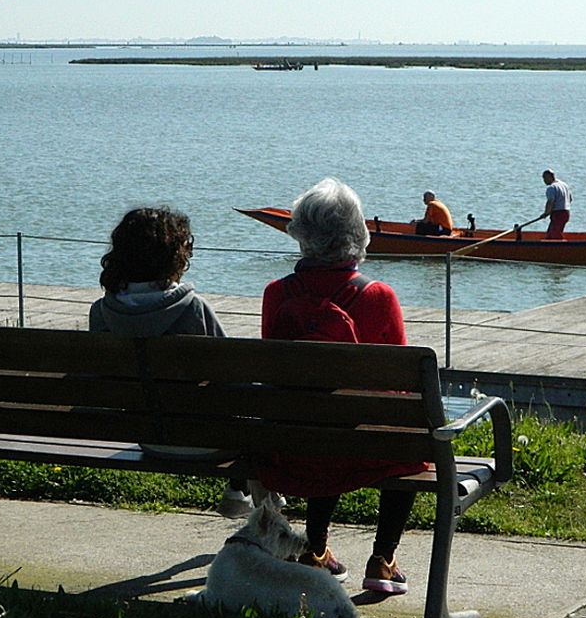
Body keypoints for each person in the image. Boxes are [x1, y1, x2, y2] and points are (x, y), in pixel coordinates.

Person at [258, 177, 426, 596]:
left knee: (322, 417)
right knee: (404, 436)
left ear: (300, 232)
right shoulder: (379, 296)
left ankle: (315, 549)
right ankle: (383, 560)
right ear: (357, 232)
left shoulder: (276, 294)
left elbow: (277, 376)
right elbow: (400, 388)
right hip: (363, 453)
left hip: (293, 445)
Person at [88, 206, 263, 518]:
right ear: (176, 256)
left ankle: (241, 492)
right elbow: (236, 386)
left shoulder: (101, 313)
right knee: (259, 412)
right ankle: (244, 493)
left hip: (148, 439)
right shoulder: (193, 310)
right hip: (204, 442)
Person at [540, 169, 572, 239]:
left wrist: (546, 213)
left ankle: (562, 248)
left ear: (550, 177)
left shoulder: (551, 188)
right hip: (566, 212)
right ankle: (547, 246)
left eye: (545, 178)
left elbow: (550, 202)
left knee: (555, 234)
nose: (544, 180)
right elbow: (570, 199)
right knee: (550, 234)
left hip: (558, 214)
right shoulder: (564, 185)